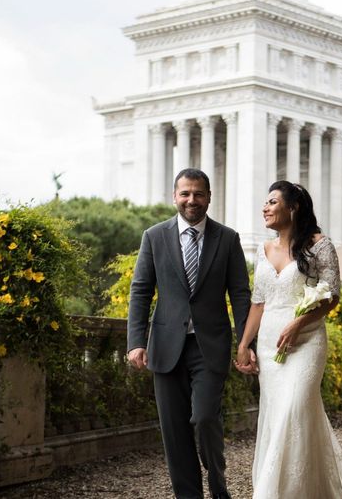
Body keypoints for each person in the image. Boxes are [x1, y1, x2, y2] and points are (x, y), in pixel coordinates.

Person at [233, 181, 342, 499]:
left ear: (292, 207)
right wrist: (244, 345)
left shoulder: (320, 245)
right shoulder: (264, 250)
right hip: (270, 347)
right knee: (276, 414)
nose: (264, 208)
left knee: (294, 408)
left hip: (307, 342)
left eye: (272, 202)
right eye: (264, 203)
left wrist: (300, 323)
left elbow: (332, 296)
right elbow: (258, 302)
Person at [127, 168, 251, 499]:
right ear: (175, 197)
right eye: (185, 194)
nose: (191, 200)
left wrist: (246, 343)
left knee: (205, 417)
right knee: (174, 430)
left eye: (198, 194)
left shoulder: (227, 238)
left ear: (209, 197)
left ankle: (218, 483)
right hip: (166, 346)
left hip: (209, 346)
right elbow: (140, 290)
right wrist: (136, 342)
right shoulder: (154, 236)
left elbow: (240, 293)